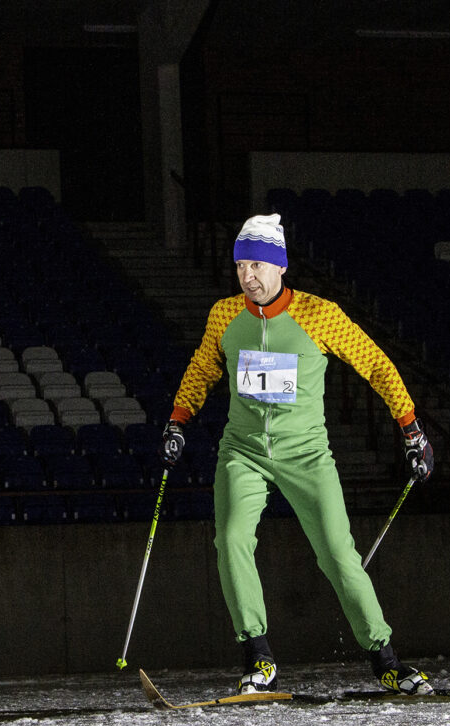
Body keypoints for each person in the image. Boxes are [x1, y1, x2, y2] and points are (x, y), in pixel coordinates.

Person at [159, 213, 434, 695]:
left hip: (306, 454)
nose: (248, 276)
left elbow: (376, 365)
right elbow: (202, 369)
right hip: (242, 450)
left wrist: (412, 431)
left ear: (280, 267)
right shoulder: (225, 314)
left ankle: (387, 662)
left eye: (258, 266)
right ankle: (258, 658)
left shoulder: (319, 314)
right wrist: (178, 421)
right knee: (231, 538)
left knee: (338, 555)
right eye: (241, 266)